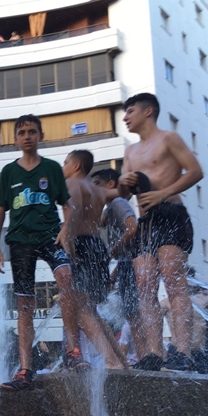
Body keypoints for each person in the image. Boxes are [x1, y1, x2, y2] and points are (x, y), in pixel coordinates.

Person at [0, 114, 86, 390]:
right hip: (20, 241)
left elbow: (67, 205)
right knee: (24, 303)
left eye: (32, 131)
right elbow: (0, 210)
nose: (27, 136)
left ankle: (72, 352)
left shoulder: (53, 168)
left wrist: (66, 228)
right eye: (22, 132)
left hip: (49, 237)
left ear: (40, 136)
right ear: (16, 139)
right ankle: (25, 369)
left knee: (67, 279)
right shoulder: (9, 172)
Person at [119, 93, 203, 371]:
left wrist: (162, 193)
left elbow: (195, 171)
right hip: (145, 224)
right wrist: (124, 181)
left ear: (148, 111)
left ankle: (182, 351)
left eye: (130, 111)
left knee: (174, 283)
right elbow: (121, 193)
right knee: (144, 287)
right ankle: (155, 352)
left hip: (170, 213)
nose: (125, 117)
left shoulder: (169, 138)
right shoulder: (130, 151)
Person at [61, 150, 126, 369]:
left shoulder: (73, 184)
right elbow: (120, 193)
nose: (63, 168)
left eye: (65, 163)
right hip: (98, 246)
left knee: (80, 309)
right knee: (93, 312)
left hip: (81, 245)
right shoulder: (97, 190)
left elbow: (74, 209)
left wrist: (67, 238)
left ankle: (109, 360)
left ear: (76, 166)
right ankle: (122, 361)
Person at [90, 168, 140, 348]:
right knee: (132, 312)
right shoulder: (111, 208)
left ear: (110, 185)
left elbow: (132, 228)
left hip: (133, 265)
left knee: (135, 313)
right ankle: (143, 355)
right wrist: (115, 274)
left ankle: (145, 355)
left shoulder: (118, 202)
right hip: (126, 265)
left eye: (97, 184)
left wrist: (112, 252)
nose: (92, 189)